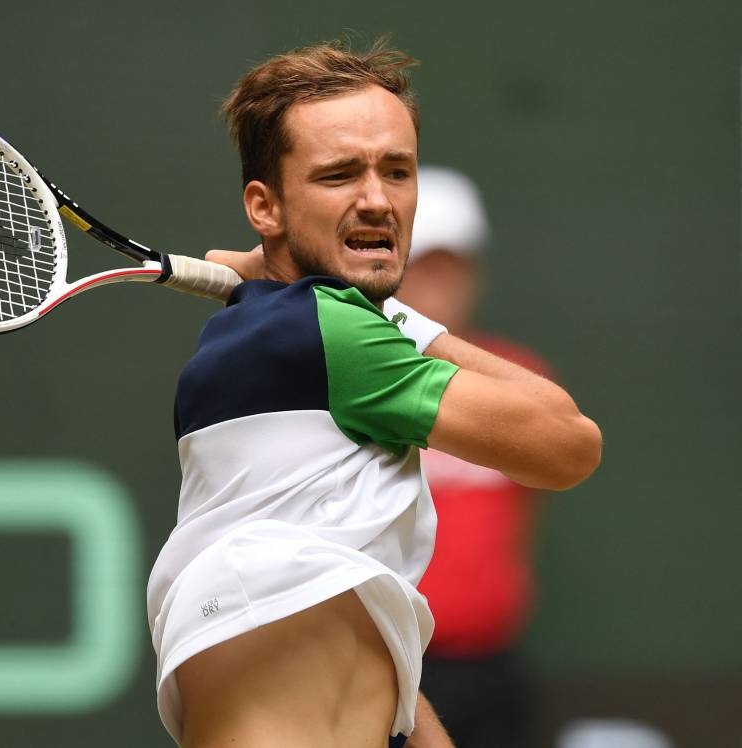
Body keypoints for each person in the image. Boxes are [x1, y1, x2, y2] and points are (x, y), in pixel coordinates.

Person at [146, 39, 602, 748]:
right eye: (338, 175)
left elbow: (346, 629)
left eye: (397, 170)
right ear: (264, 208)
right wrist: (399, 319)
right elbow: (569, 443)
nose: (377, 200)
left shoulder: (262, 352)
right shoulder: (330, 335)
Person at [389, 166, 553, 748]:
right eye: (423, 262)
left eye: (452, 264)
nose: (439, 282)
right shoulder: (351, 381)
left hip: (491, 666)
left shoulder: (519, 380)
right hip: (384, 665)